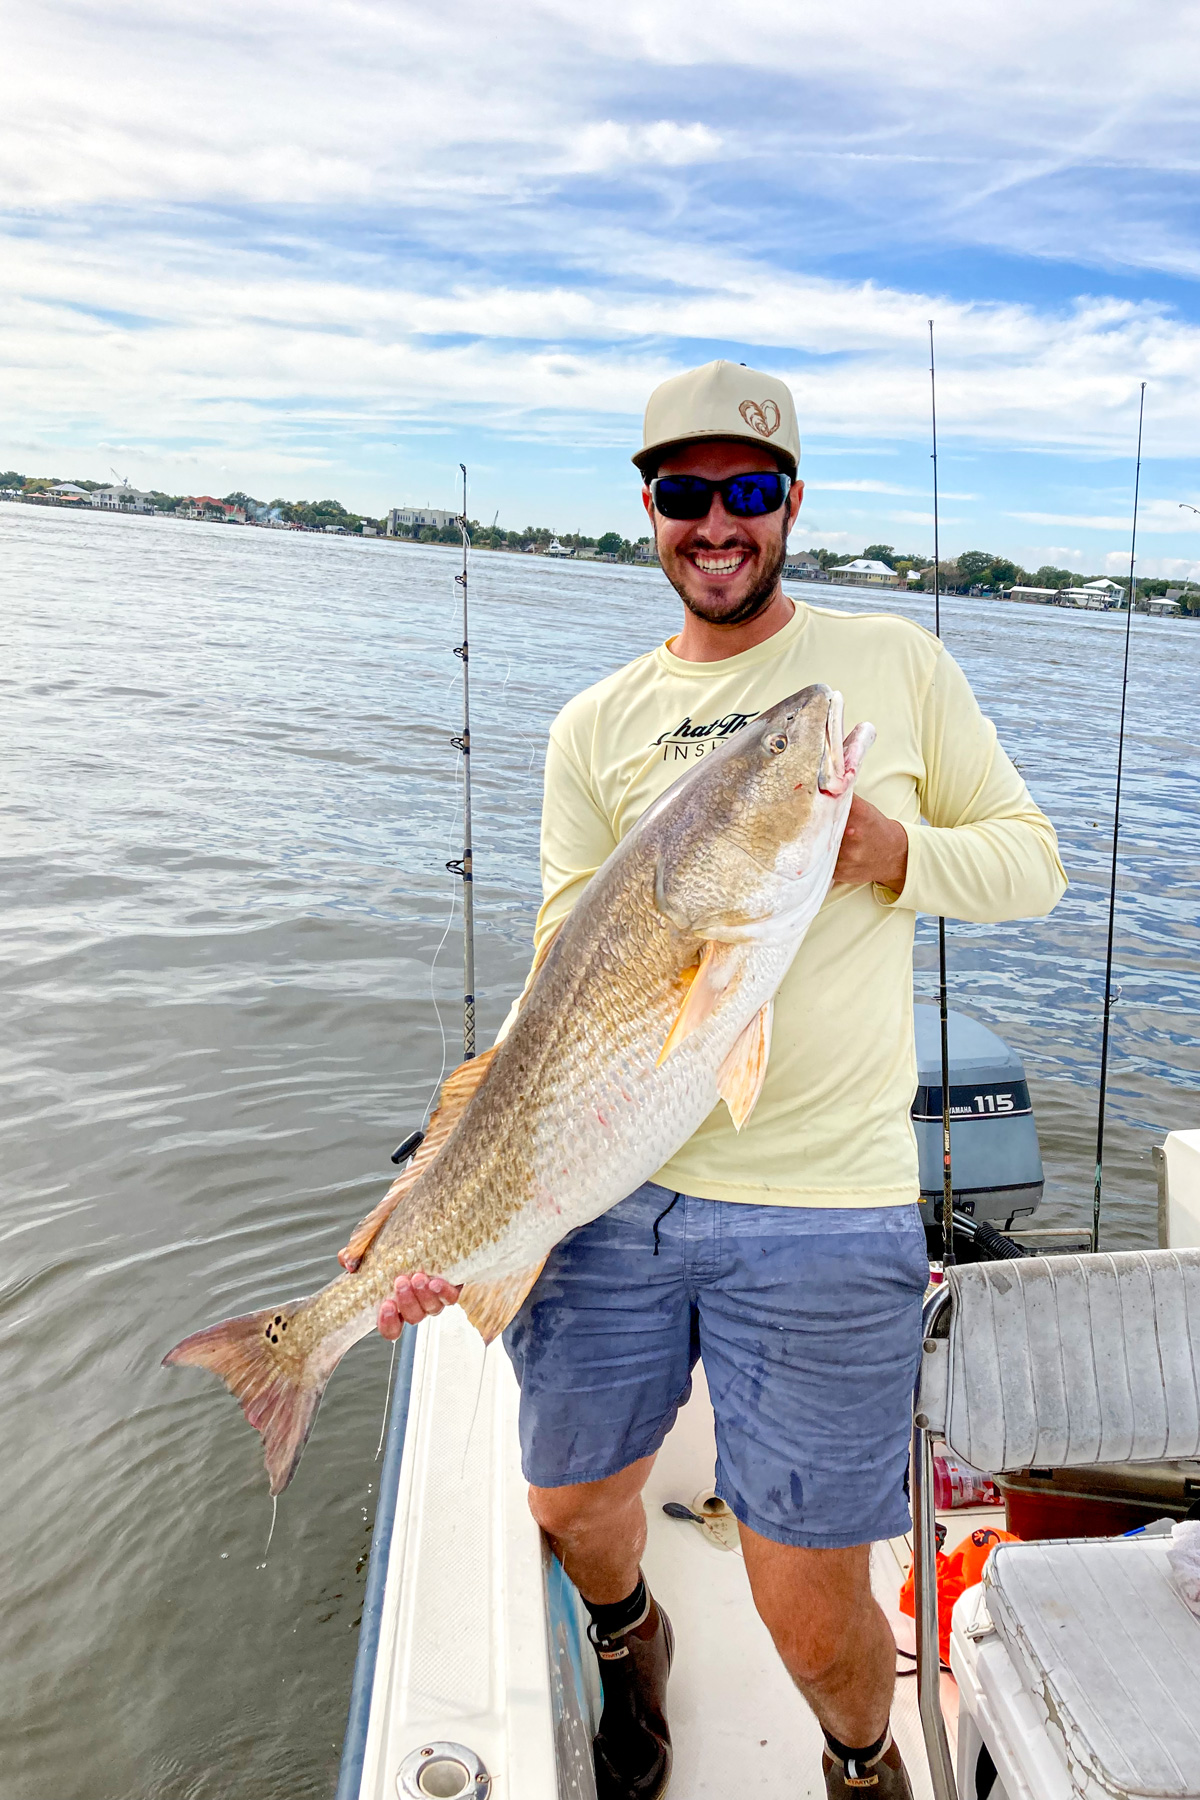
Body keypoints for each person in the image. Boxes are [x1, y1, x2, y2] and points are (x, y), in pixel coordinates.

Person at [374, 360, 1067, 1799]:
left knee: (812, 1606)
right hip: (609, 1183)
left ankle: (862, 1761)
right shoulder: (593, 727)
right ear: (650, 511)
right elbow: (561, 968)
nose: (717, 523)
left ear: (791, 504)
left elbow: (1034, 865)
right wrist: (442, 1187)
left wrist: (894, 856)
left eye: (748, 492)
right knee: (567, 1501)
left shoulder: (894, 670)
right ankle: (632, 1643)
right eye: (684, 494)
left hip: (823, 1201)